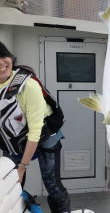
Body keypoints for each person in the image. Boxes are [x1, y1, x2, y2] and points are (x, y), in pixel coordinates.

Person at [0, 42, 70, 213]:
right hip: (14, 139)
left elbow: (35, 131)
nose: (1, 63)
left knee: (52, 185)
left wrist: (22, 167)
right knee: (11, 185)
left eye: (3, 56)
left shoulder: (28, 85)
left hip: (45, 135)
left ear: (10, 57)